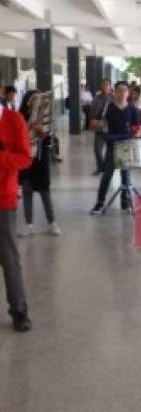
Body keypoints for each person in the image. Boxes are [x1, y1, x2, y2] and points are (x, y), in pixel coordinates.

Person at [0, 95, 32, 331]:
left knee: (9, 256)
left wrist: (2, 157)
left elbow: (25, 158)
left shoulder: (13, 120)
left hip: (3, 199)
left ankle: (19, 309)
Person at [90, 81, 141, 214]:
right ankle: (99, 203)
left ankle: (125, 203)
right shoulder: (108, 107)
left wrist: (136, 132)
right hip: (112, 147)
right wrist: (99, 124)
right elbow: (94, 123)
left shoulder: (133, 110)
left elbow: (138, 127)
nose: (122, 93)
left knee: (126, 177)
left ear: (128, 93)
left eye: (125, 90)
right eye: (119, 90)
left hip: (126, 147)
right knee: (107, 176)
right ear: (115, 92)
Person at [17, 91, 60, 236]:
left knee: (44, 191)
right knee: (27, 190)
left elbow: (51, 142)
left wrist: (43, 133)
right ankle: (29, 225)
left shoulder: (46, 118)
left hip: (41, 159)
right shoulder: (20, 117)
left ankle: (52, 223)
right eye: (33, 101)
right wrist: (28, 128)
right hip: (26, 159)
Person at [88, 79, 113, 176]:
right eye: (102, 85)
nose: (104, 87)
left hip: (111, 128)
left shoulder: (114, 98)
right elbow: (92, 112)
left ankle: (108, 167)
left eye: (106, 85)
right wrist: (91, 122)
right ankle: (101, 166)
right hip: (99, 127)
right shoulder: (96, 98)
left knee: (110, 150)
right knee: (97, 149)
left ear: (110, 86)